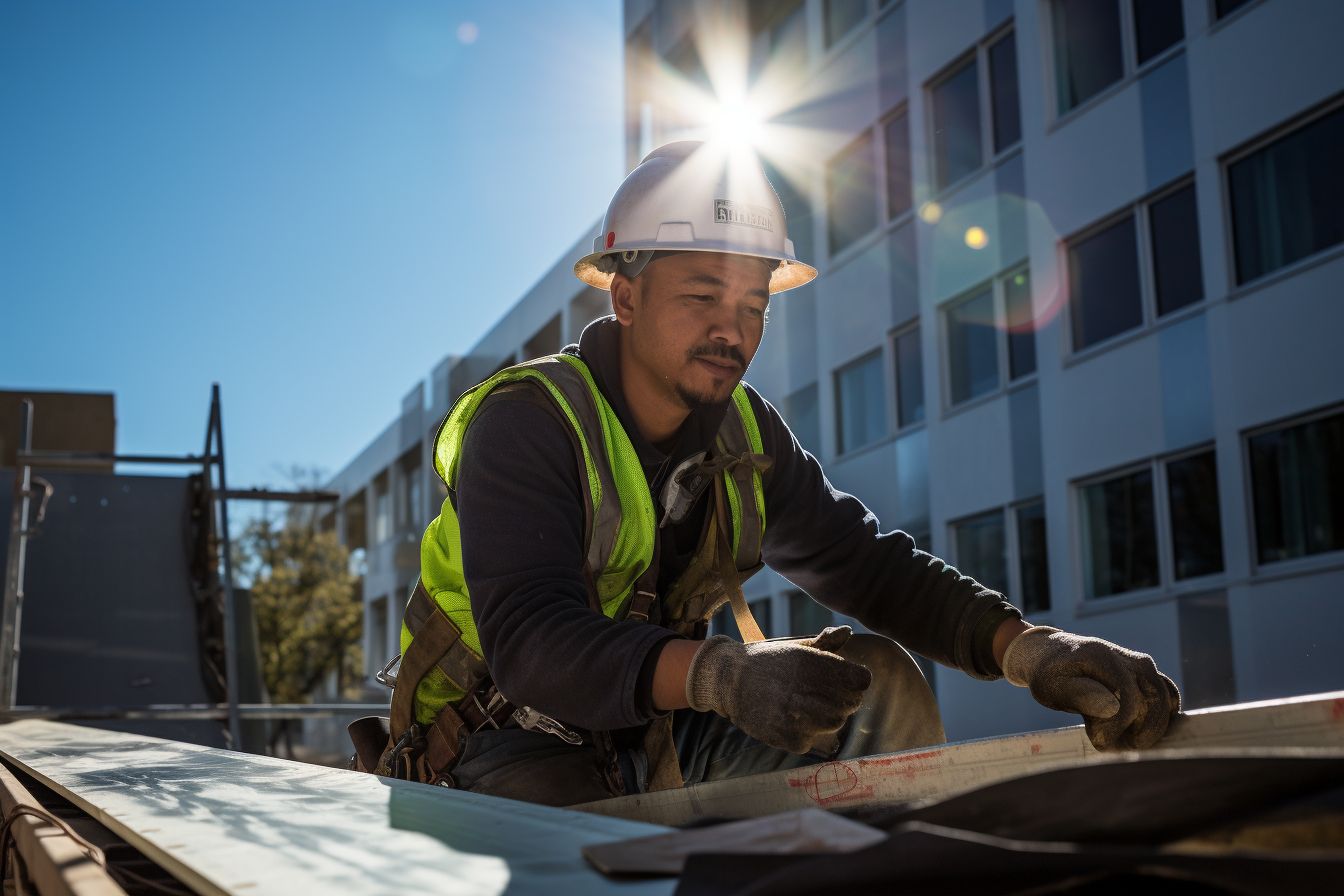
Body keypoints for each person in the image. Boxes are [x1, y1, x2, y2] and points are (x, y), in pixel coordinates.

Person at [369, 141, 1180, 805]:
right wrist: (722, 676)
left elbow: (868, 566)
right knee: (583, 851)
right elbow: (532, 642)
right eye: (702, 296)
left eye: (755, 304)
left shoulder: (745, 434)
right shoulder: (530, 420)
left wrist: (1028, 649)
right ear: (624, 296)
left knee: (878, 687)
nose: (733, 330)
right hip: (490, 748)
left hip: (644, 731)